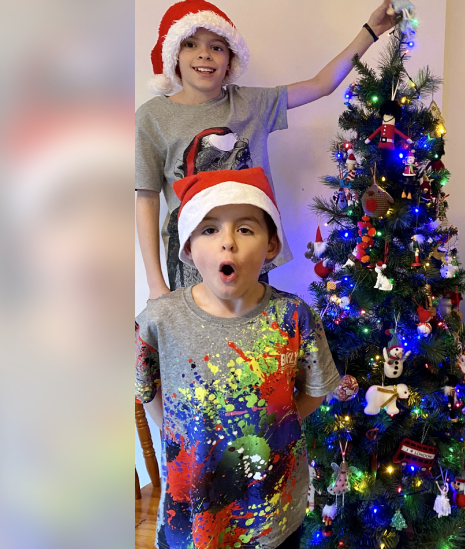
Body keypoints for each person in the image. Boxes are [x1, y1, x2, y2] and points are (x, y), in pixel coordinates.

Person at [136, 167, 340, 549]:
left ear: (271, 246)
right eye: (209, 229)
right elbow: (146, 390)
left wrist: (272, 424)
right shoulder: (158, 321)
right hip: (194, 516)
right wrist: (179, 429)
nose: (227, 242)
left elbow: (314, 391)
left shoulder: (293, 317)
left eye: (245, 229)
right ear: (188, 247)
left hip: (273, 513)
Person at [136, 0, 397, 298]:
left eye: (217, 47)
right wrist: (155, 284)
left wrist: (371, 31)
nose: (204, 54)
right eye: (191, 44)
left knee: (254, 339)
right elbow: (146, 198)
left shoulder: (252, 104)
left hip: (250, 251)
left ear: (230, 59)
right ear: (173, 54)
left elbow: (322, 84)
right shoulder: (153, 117)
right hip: (191, 257)